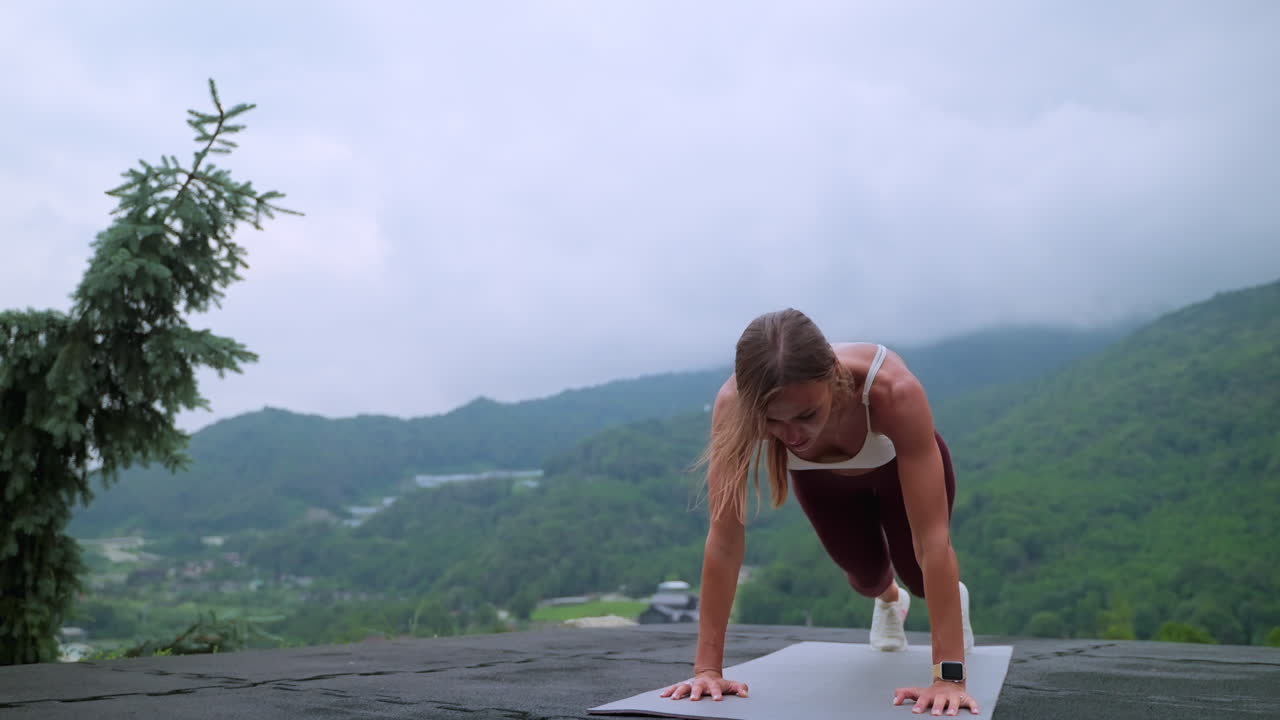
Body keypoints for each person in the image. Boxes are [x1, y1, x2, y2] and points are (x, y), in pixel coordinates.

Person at [660, 308, 979, 716]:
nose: (792, 436)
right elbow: (724, 541)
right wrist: (707, 670)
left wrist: (949, 678)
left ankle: (952, 595)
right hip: (823, 482)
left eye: (807, 415)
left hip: (898, 470)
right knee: (865, 576)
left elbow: (933, 542)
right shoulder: (734, 406)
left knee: (920, 573)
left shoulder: (891, 391)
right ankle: (889, 601)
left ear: (832, 378)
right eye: (773, 421)